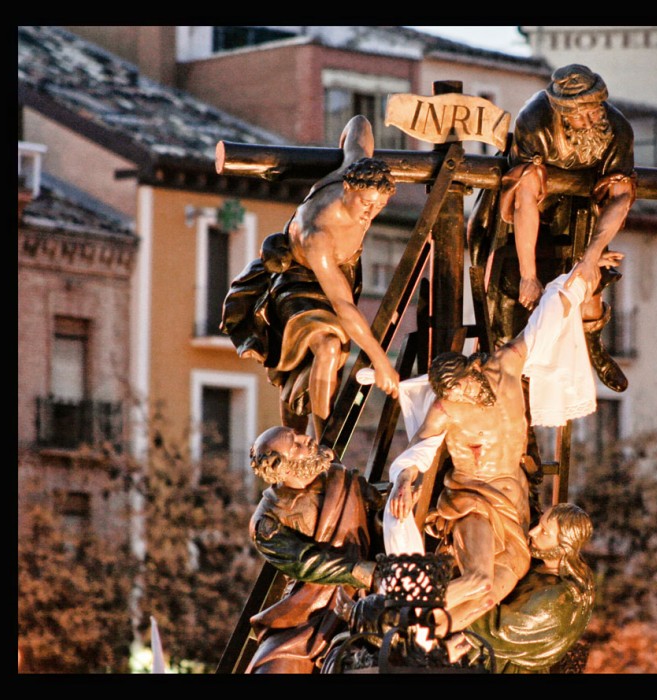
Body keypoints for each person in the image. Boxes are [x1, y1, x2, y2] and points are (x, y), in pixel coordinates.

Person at [384, 264, 605, 635]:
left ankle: (432, 635)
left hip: (513, 507)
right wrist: (405, 478)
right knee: (477, 581)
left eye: (467, 390)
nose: (466, 401)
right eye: (456, 398)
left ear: (473, 371)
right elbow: (419, 449)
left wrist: (574, 285)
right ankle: (392, 613)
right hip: (473, 501)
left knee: (491, 594)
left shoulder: (506, 366)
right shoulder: (446, 408)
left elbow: (541, 327)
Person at [221, 116, 400, 440]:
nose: (369, 214)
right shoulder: (318, 231)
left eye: (379, 206)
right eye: (365, 203)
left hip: (341, 273)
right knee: (328, 347)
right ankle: (324, 445)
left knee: (320, 367)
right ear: (347, 188)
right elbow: (343, 305)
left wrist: (341, 154)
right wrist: (380, 362)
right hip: (300, 283)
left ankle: (305, 434)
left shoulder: (357, 167)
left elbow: (359, 124)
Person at [471, 63, 636, 392]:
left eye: (594, 108)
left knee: (590, 281)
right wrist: (529, 274)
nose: (590, 119)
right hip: (532, 207)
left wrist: (591, 257)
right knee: (510, 293)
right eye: (580, 113)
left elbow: (619, 197)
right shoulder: (535, 120)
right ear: (561, 111)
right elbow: (525, 196)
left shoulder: (617, 129)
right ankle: (514, 390)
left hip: (583, 204)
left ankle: (593, 342)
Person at [244, 425, 382, 674]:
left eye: (298, 435)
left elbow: (381, 517)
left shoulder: (345, 481)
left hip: (367, 597)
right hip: (307, 613)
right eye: (295, 444)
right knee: (272, 668)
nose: (307, 439)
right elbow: (306, 561)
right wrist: (357, 569)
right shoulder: (267, 521)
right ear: (280, 466)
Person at [465, 503, 595, 673]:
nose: (533, 532)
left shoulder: (561, 598)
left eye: (544, 532)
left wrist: (466, 593)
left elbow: (500, 633)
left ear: (565, 547)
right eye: (539, 524)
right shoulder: (541, 565)